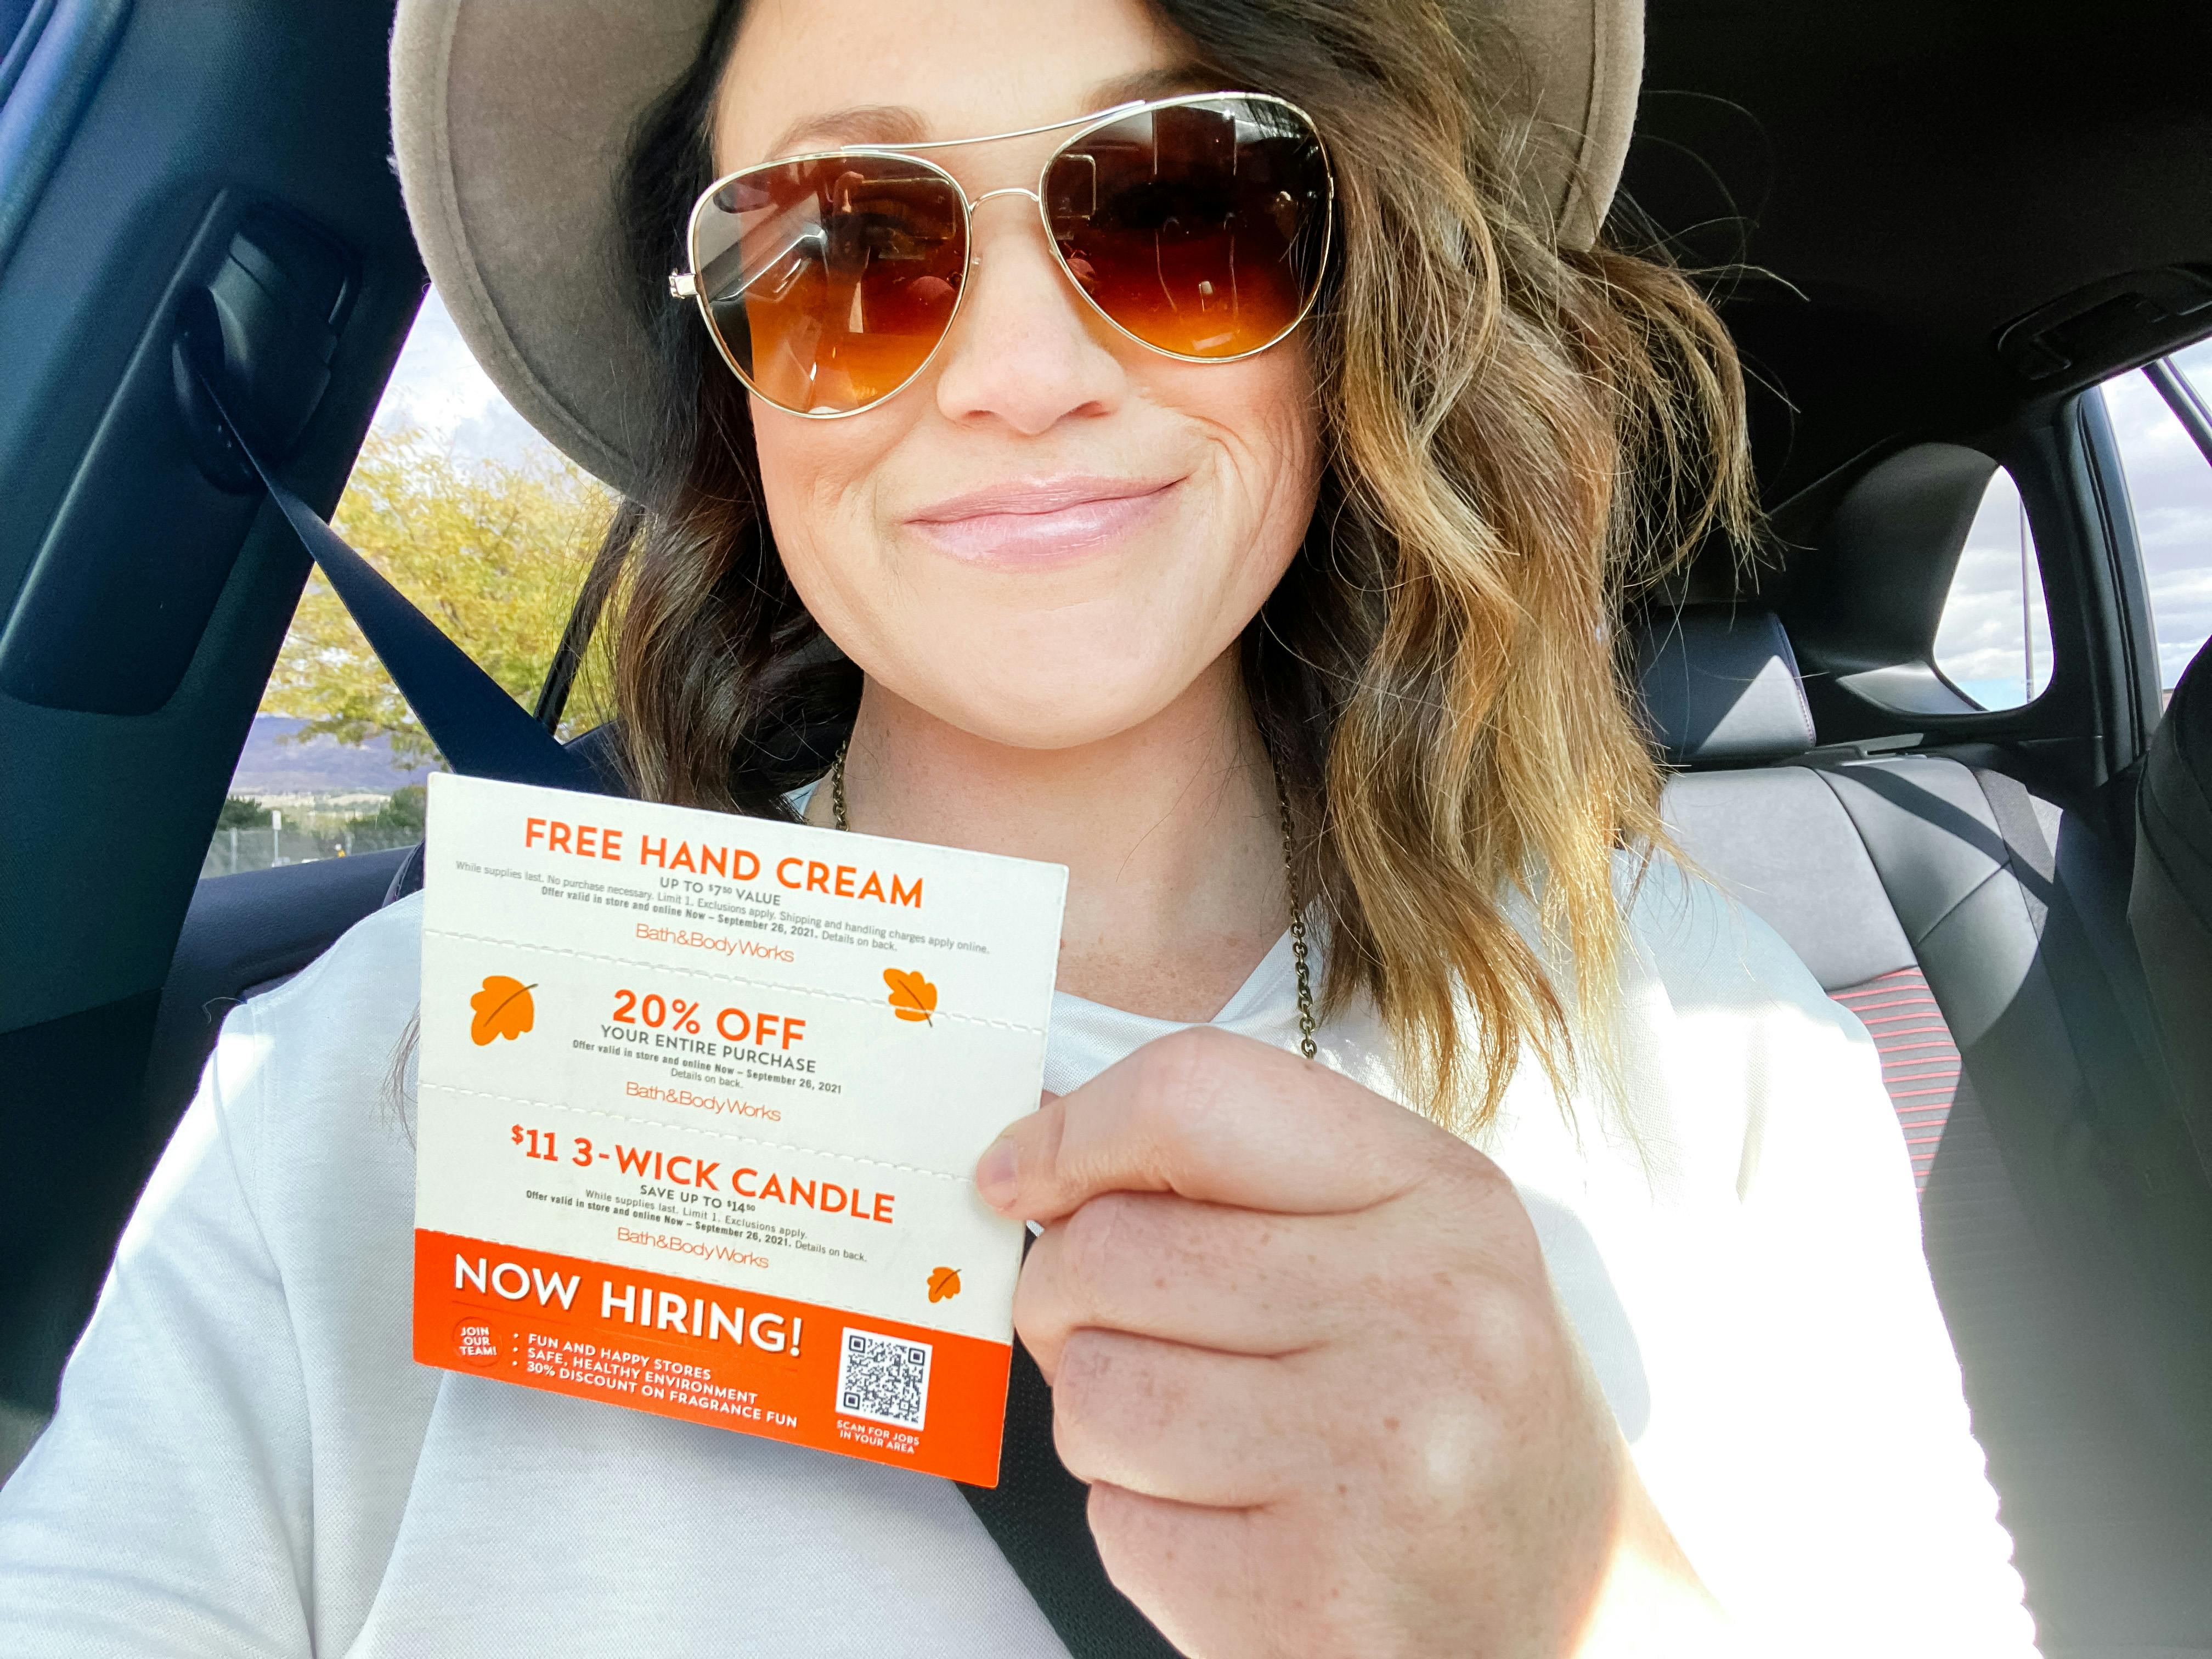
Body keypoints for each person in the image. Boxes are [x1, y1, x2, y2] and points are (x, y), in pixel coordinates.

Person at [0, 0, 2040, 1652]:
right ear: (738, 384)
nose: (1020, 372)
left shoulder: (1723, 1046)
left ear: (1348, 302)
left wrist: (1576, 1604)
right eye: (842, 252)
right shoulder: (371, 1071)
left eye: (1178, 203)